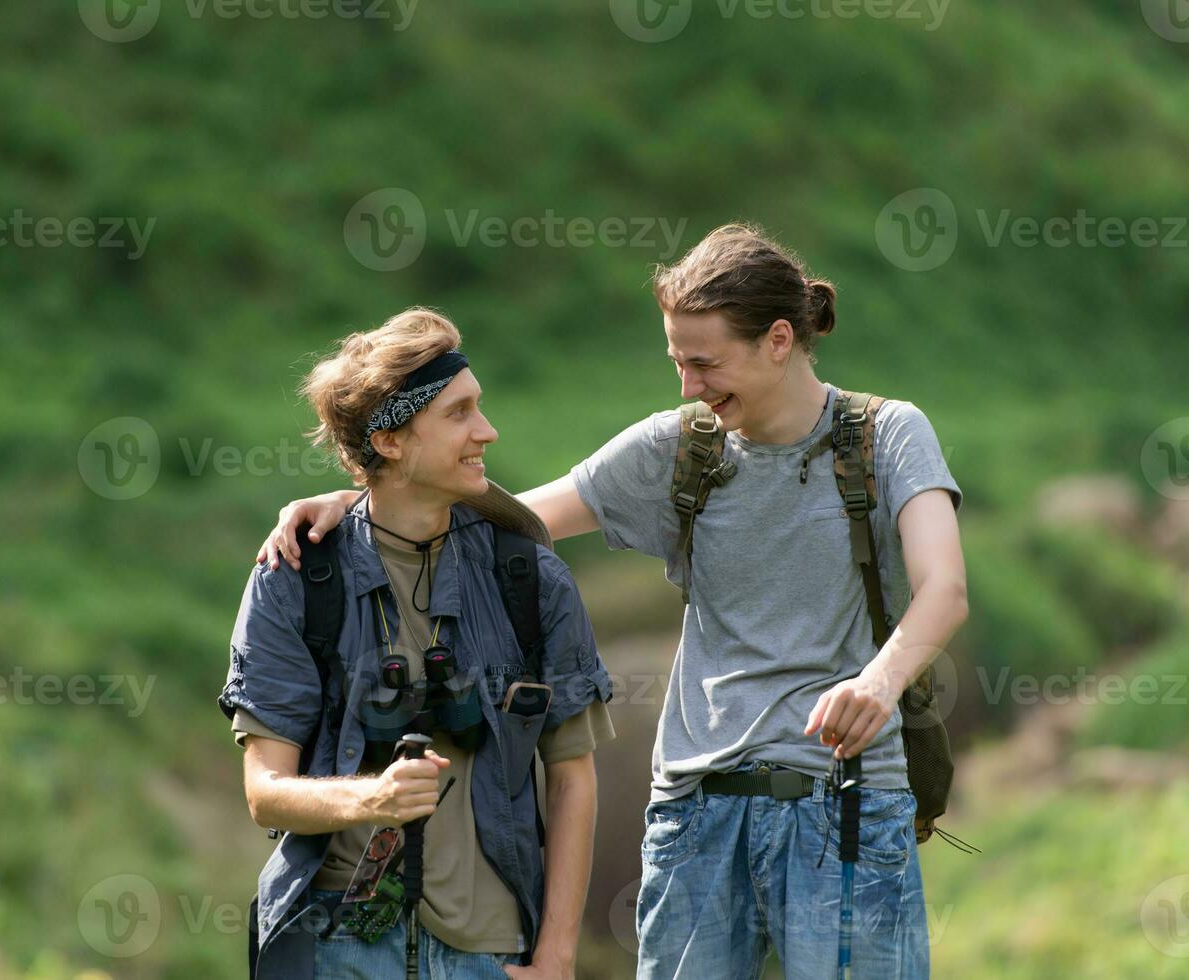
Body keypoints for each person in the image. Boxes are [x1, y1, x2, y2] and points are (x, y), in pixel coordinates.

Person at [255, 224, 969, 978]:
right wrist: (359, 489)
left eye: (705, 363)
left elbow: (944, 589)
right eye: (677, 362)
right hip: (695, 814)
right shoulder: (676, 449)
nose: (688, 386)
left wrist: (878, 682)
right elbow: (501, 516)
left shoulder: (888, 435)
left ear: (780, 340)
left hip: (847, 801)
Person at [221, 307, 617, 979]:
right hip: (337, 951)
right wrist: (371, 800)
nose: (486, 431)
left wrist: (556, 958)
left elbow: (573, 777)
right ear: (393, 439)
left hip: (488, 956)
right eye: (459, 413)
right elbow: (265, 791)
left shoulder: (530, 578)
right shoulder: (294, 579)